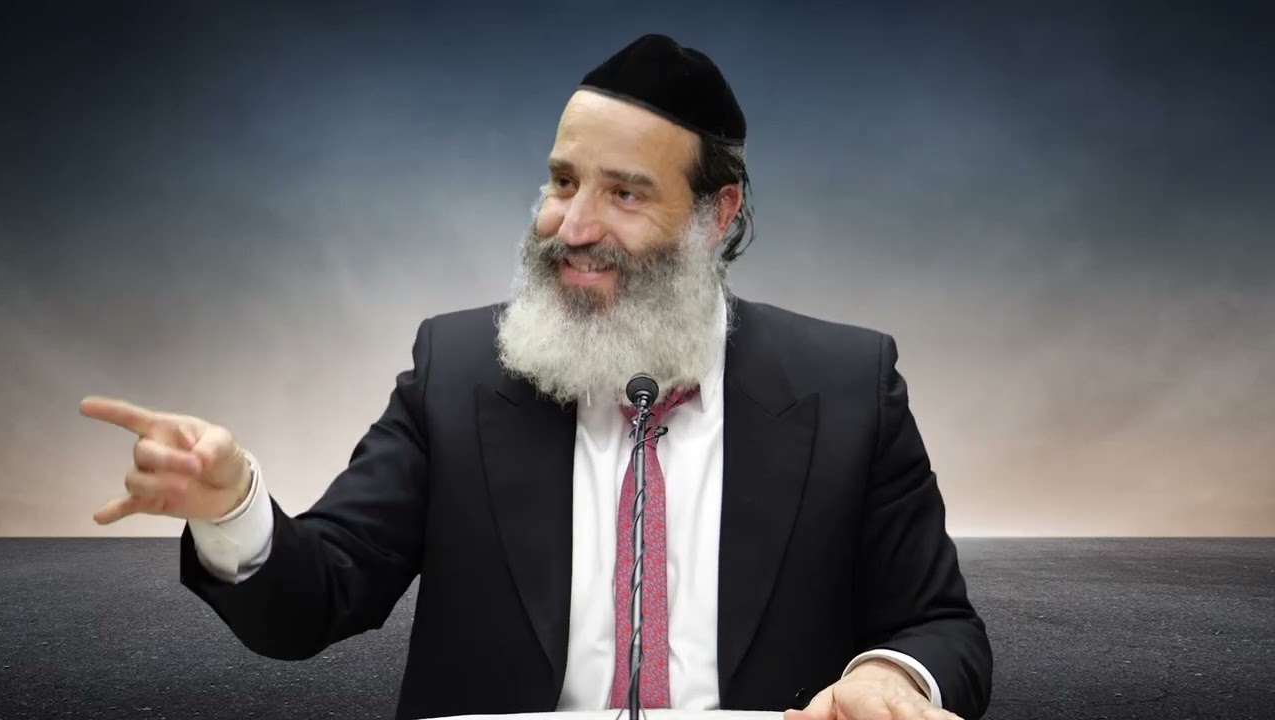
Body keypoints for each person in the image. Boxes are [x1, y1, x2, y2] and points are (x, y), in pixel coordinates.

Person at [80, 34, 992, 720]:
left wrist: (890, 676)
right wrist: (231, 504)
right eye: (562, 182)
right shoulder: (456, 371)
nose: (573, 226)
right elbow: (316, 600)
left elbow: (943, 629)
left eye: (624, 192)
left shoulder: (849, 384)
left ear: (717, 215)